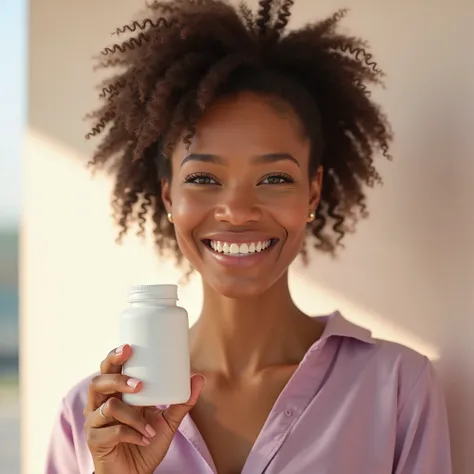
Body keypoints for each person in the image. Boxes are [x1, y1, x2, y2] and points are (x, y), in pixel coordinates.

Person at [46, 1, 452, 473]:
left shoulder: (397, 387)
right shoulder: (93, 420)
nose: (237, 211)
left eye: (275, 178)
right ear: (168, 197)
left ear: (313, 191)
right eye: (203, 178)